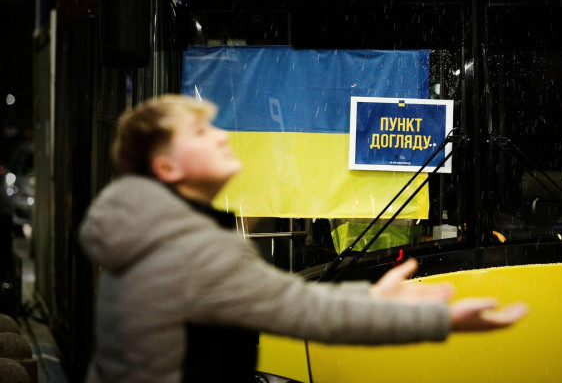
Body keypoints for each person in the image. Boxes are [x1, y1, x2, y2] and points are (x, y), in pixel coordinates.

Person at [79, 94, 528, 383]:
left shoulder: (150, 230)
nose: (220, 136)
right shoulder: (187, 247)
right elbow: (309, 311)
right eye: (200, 132)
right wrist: (429, 319)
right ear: (168, 168)